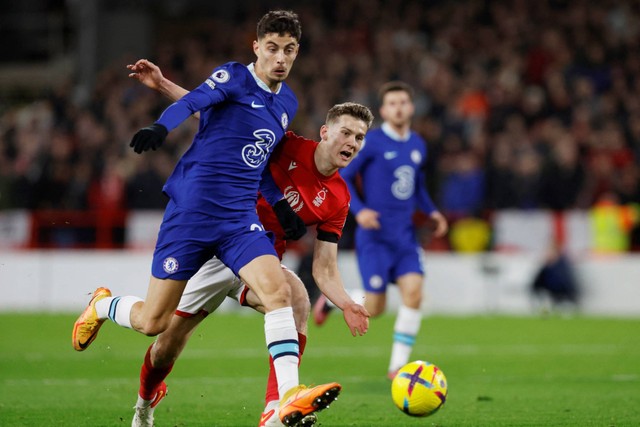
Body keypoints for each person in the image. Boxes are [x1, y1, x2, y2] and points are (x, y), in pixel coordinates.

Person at [71, 10, 340, 426]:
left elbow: (259, 160)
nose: (280, 58)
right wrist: (161, 127)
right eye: (272, 48)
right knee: (153, 324)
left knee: (281, 293)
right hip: (192, 213)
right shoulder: (233, 76)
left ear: (297, 51)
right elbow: (197, 101)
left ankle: (286, 398)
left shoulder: (287, 103)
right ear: (257, 48)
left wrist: (280, 205)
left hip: (238, 218)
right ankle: (104, 304)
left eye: (288, 50)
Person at [125, 58, 372, 427]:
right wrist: (163, 86)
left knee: (295, 298)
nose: (351, 142)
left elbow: (324, 267)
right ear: (325, 132)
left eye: (359, 137)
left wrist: (347, 304)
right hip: (217, 244)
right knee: (162, 339)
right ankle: (144, 403)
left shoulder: (339, 198)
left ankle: (277, 407)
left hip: (257, 258)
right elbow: (218, 118)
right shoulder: (287, 146)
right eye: (346, 133)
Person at [313, 81, 448, 379]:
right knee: (376, 306)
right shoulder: (371, 142)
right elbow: (343, 177)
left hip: (405, 238)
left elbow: (417, 187)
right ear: (384, 110)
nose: (399, 108)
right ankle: (335, 301)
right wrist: (359, 212)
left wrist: (432, 212)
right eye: (392, 103)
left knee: (413, 294)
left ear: (411, 108)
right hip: (374, 237)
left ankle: (397, 367)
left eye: (404, 102)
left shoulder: (417, 145)